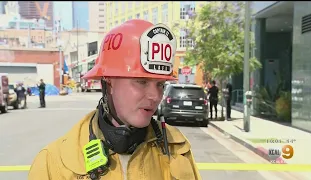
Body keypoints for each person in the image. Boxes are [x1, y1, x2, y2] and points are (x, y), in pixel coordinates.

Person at [28, 19, 201, 180]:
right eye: (141, 82)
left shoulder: (177, 148)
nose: (155, 96)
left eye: (160, 85)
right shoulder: (53, 162)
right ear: (108, 82)